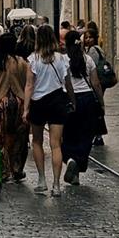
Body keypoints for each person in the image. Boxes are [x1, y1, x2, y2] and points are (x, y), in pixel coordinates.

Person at [23, 24, 75, 196]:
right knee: (56, 144)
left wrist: (25, 108)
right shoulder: (62, 59)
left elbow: (29, 85)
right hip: (57, 100)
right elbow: (68, 83)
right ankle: (56, 185)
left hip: (39, 102)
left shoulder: (33, 59)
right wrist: (73, 100)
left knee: (37, 141)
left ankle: (41, 179)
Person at [0, 31, 30, 182]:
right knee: (20, 139)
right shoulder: (22, 62)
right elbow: (29, 84)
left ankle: (2, 170)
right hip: (19, 104)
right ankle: (17, 168)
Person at [61, 30, 104, 186]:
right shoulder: (88, 59)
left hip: (68, 100)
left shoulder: (63, 60)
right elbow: (96, 83)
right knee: (86, 134)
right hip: (87, 100)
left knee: (68, 134)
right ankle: (77, 164)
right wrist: (101, 102)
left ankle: (71, 160)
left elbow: (62, 82)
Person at [82, 24, 110, 147]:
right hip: (99, 82)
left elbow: (91, 68)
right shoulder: (98, 49)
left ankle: (97, 135)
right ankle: (97, 135)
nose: (87, 40)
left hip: (96, 82)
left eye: (90, 37)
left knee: (95, 109)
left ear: (95, 38)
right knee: (96, 108)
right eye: (86, 38)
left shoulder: (93, 50)